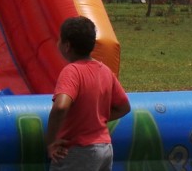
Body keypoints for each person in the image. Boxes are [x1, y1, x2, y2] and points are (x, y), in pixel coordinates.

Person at [45, 16, 130, 170]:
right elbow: (124, 107)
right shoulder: (104, 70)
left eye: (59, 39)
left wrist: (51, 142)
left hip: (78, 151)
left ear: (67, 46)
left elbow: (61, 107)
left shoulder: (72, 71)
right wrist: (96, 117)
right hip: (104, 148)